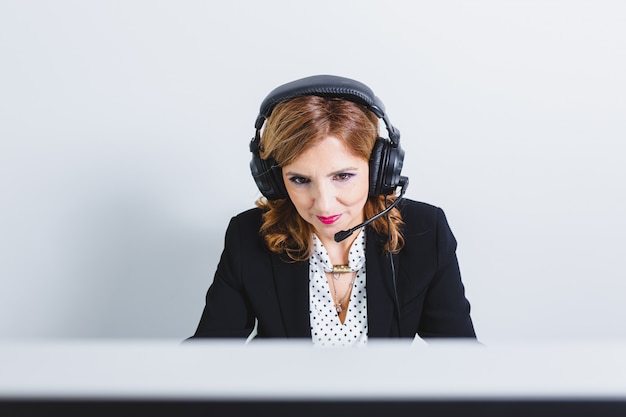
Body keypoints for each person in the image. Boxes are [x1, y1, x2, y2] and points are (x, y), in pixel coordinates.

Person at [190, 75, 476, 346]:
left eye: (342, 176)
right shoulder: (247, 236)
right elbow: (208, 356)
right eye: (300, 180)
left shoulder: (426, 231)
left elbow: (461, 358)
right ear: (274, 180)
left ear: (379, 170)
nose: (324, 204)